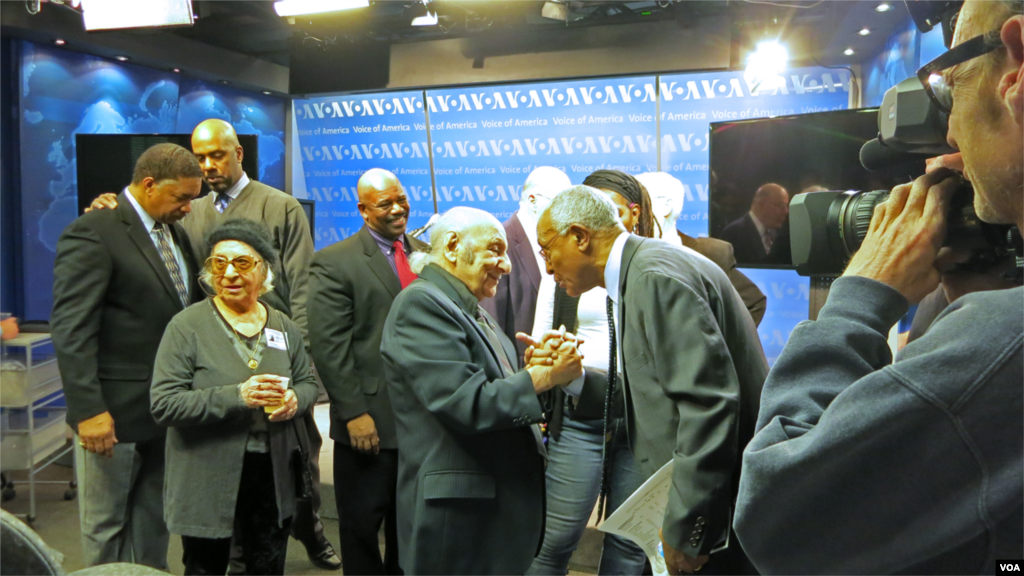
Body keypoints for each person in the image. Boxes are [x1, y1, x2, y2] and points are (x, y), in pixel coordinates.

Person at [733, 0, 1024, 572]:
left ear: (1015, 70)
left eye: (952, 88)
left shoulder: (1006, 337)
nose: (950, 129)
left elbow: (776, 518)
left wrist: (860, 296)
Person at [89, 119, 335, 570]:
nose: (208, 166)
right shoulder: (189, 211)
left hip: (275, 350)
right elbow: (148, 234)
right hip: (214, 356)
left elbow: (302, 288)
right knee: (215, 519)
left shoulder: (280, 207)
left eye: (216, 155)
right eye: (200, 158)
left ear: (238, 153)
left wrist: (302, 373)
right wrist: (112, 205)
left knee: (296, 469)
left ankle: (311, 531)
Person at [537, 186, 769, 575]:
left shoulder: (653, 276)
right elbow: (655, 389)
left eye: (547, 250)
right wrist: (573, 378)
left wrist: (687, 529)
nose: (546, 267)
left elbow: (707, 405)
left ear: (580, 237)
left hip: (717, 511)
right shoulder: (641, 269)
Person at [379, 206, 584, 576]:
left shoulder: (473, 310)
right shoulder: (421, 304)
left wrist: (533, 368)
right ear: (453, 246)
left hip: (487, 518)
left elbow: (492, 388)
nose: (505, 265)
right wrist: (542, 377)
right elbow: (467, 403)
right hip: (460, 524)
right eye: (495, 249)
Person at [50, 143, 203, 569]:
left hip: (164, 411)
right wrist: (88, 411)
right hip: (110, 417)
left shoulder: (174, 233)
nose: (189, 208)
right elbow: (72, 329)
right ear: (150, 185)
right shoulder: (94, 231)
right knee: (106, 526)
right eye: (182, 198)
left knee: (155, 520)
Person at [150, 219, 319, 576]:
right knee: (205, 567)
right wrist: (237, 396)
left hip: (272, 474)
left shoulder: (282, 325)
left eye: (242, 263)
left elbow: (307, 383)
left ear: (263, 272)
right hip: (206, 472)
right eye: (218, 263)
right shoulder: (186, 326)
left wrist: (294, 400)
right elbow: (164, 404)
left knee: (267, 564)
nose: (229, 273)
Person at [308, 168, 427, 576]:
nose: (398, 209)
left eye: (401, 199)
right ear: (362, 210)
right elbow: (329, 347)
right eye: (385, 203)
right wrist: (354, 413)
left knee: (409, 527)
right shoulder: (334, 262)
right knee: (361, 529)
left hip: (423, 419)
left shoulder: (427, 254)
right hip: (369, 421)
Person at [635, 171, 767, 325]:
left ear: (666, 207)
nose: (634, 214)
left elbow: (753, 303)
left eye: (640, 204)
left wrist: (716, 344)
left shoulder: (709, 254)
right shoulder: (624, 252)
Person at [482, 166, 572, 364]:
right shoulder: (499, 241)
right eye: (558, 202)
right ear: (532, 200)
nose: (566, 212)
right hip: (517, 370)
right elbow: (491, 321)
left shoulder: (560, 242)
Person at [719, 183, 789, 265]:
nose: (786, 211)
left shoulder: (779, 233)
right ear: (761, 203)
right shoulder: (733, 233)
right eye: (781, 205)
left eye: (786, 206)